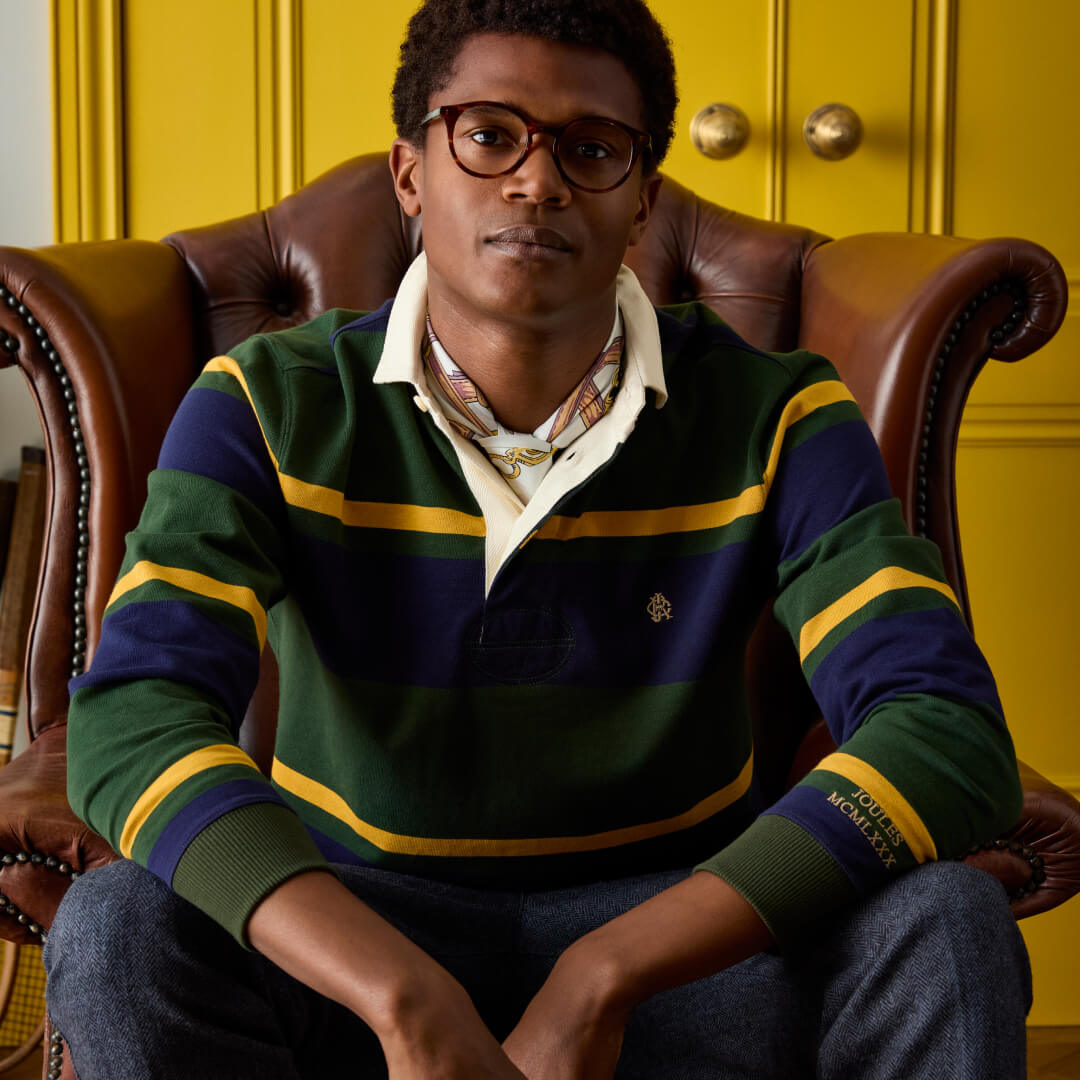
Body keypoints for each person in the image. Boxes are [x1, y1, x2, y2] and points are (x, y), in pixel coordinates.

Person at [45, 1, 1031, 1077]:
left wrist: (602, 973)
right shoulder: (267, 401)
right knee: (117, 930)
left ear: (642, 198)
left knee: (948, 923)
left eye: (591, 149)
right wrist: (403, 994)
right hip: (352, 941)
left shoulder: (778, 413)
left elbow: (943, 728)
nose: (538, 181)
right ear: (411, 174)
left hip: (688, 947)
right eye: (488, 134)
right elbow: (136, 717)